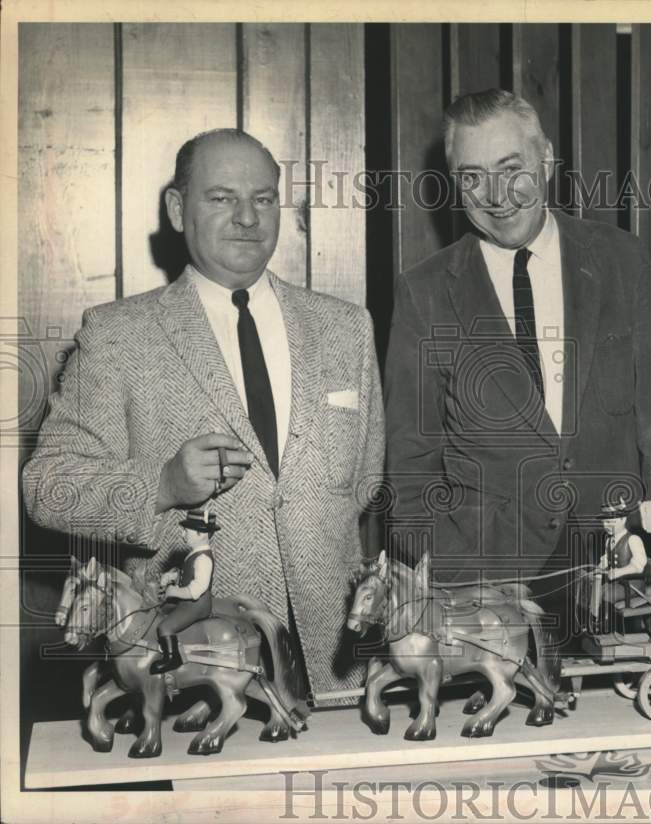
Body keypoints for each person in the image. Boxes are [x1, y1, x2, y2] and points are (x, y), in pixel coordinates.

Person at [22, 129, 384, 701]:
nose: (247, 217)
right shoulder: (117, 335)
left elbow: (364, 482)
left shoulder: (346, 328)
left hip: (339, 666)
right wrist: (161, 486)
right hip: (194, 670)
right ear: (176, 209)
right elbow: (47, 487)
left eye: (263, 199)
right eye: (221, 198)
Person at [383, 89, 651, 605]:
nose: (497, 195)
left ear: (546, 158)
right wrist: (432, 581)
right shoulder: (425, 289)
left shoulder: (620, 259)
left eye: (511, 168)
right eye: (472, 177)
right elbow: (411, 458)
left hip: (618, 568)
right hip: (483, 583)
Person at [150, 509, 218, 674]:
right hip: (187, 602)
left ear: (201, 533)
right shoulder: (195, 554)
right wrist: (172, 575)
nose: (182, 534)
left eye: (186, 531)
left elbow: (196, 590)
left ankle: (172, 659)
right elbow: (187, 572)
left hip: (196, 605)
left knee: (164, 627)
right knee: (157, 611)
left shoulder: (203, 559)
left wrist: (174, 592)